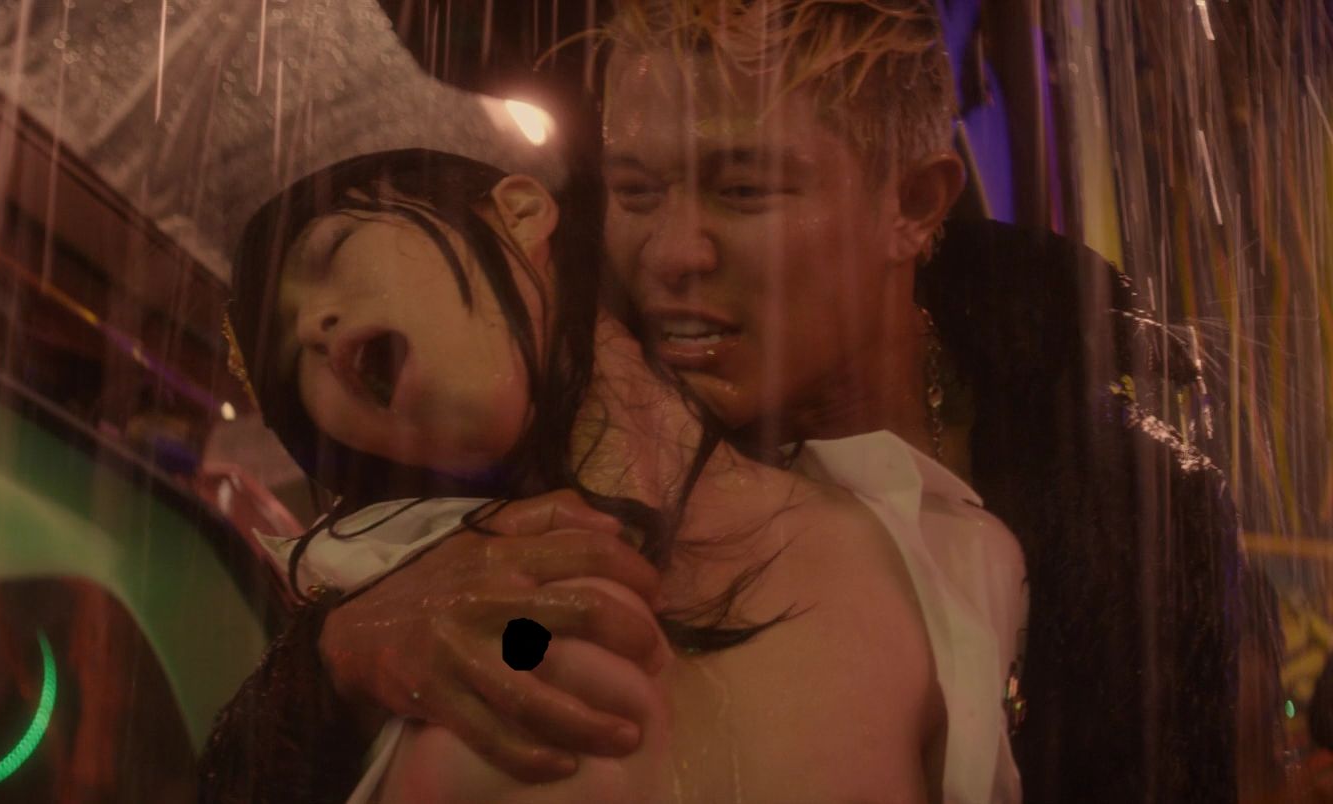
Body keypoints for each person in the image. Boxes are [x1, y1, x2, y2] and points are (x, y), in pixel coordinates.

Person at [200, 1, 1252, 802]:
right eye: (637, 190)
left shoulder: (1121, 505)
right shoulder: (551, 413)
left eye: (745, 189)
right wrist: (338, 662)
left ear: (912, 203)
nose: (672, 254)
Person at [212, 146, 943, 801]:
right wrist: (328, 669)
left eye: (333, 254)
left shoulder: (939, 552)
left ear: (520, 213)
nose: (312, 327)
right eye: (292, 362)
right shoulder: (377, 615)